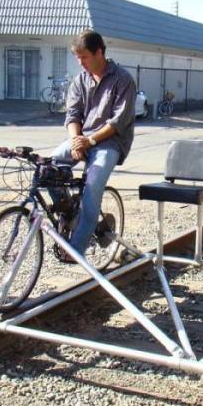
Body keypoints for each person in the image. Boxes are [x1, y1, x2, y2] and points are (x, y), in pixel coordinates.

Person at [50, 30, 136, 262]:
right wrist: (75, 140)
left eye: (84, 57)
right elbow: (72, 114)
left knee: (92, 189)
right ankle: (69, 210)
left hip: (110, 142)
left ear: (99, 52)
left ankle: (75, 251)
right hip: (83, 138)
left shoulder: (123, 80)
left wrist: (90, 141)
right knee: (49, 166)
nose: (80, 62)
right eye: (77, 57)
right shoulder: (80, 80)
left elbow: (118, 122)